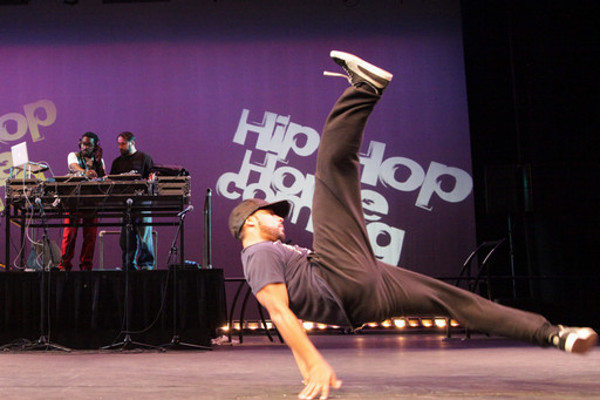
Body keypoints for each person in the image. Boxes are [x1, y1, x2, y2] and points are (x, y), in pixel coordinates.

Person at [228, 51, 598, 400]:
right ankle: (364, 89)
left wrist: (307, 368)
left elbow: (286, 313)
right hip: (341, 280)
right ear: (249, 221)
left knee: (457, 302)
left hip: (363, 300)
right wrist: (313, 362)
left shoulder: (274, 252)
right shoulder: (259, 253)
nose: (280, 217)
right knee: (330, 171)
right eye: (271, 212)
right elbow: (279, 312)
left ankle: (555, 335)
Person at [58, 132, 106, 271]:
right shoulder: (73, 155)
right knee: (70, 235)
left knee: (90, 236)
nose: (85, 147)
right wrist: (86, 172)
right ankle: (64, 265)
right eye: (83, 144)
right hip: (74, 200)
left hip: (91, 201)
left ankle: (86, 266)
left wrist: (98, 162)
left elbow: (102, 177)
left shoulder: (99, 160)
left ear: (95, 146)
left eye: (89, 145)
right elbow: (73, 166)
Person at [109, 131, 155, 270]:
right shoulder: (117, 162)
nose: (120, 147)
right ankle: (128, 264)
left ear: (132, 143)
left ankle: (146, 264)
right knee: (126, 238)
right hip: (125, 205)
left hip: (142, 204)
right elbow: (112, 182)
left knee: (144, 236)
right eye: (119, 144)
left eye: (123, 144)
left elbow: (152, 180)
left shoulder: (144, 158)